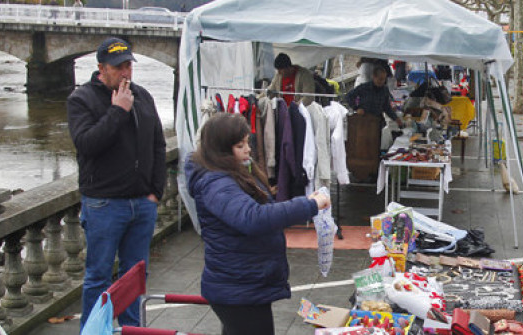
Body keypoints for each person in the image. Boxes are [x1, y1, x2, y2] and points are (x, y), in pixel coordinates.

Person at [185, 113, 330, 335]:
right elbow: (254, 218)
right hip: (237, 287)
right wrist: (308, 205)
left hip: (245, 282)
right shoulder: (216, 183)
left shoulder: (227, 173)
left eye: (247, 142)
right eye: (240, 145)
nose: (248, 149)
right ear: (221, 149)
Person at [67, 37, 166, 330]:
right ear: (101, 68)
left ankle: (132, 329)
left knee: (135, 276)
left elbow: (158, 146)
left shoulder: (143, 96)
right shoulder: (81, 99)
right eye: (118, 67)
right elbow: (87, 144)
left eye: (128, 66)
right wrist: (118, 111)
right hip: (104, 203)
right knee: (98, 276)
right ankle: (94, 329)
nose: (125, 73)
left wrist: (155, 192)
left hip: (142, 203)